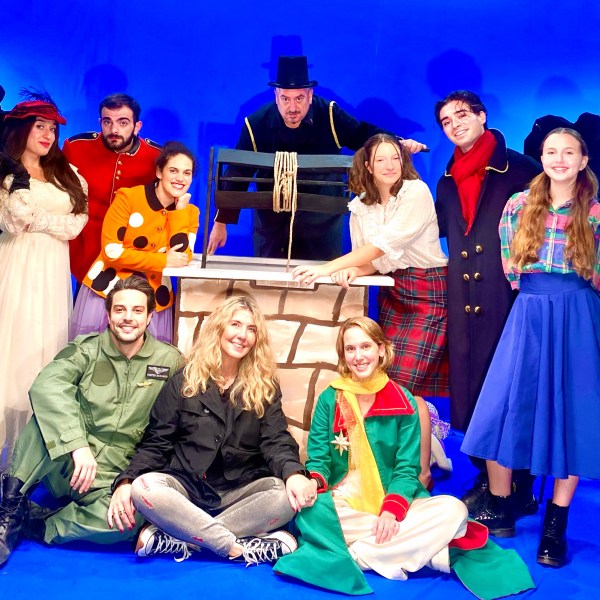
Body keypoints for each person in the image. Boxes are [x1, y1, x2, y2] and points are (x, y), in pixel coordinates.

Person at [274, 317, 534, 599]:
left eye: (365, 347)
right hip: (344, 503)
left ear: (381, 349)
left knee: (454, 511)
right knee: (309, 513)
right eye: (350, 349)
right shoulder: (330, 398)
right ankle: (424, 551)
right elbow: (319, 460)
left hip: (394, 502)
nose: (358, 356)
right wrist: (313, 482)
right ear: (343, 355)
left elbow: (406, 470)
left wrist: (390, 512)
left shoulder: (403, 401)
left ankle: (359, 554)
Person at [462, 128, 600, 568]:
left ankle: (555, 524)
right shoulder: (518, 205)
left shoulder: (595, 212)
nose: (559, 159)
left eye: (569, 152)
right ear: (541, 158)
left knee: (572, 414)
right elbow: (512, 268)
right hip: (530, 311)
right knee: (502, 407)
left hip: (577, 313)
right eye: (551, 152)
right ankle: (502, 506)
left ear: (583, 160)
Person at [292, 134, 450, 488]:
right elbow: (372, 259)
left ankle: (420, 475)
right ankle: (402, 467)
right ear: (368, 165)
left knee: (405, 388)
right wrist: (352, 270)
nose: (390, 165)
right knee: (392, 386)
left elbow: (382, 246)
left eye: (395, 157)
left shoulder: (416, 193)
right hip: (395, 292)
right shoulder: (361, 206)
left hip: (429, 292)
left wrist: (326, 268)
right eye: (381, 159)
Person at [111, 295, 314, 565]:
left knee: (284, 495)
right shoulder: (183, 381)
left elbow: (276, 440)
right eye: (235, 325)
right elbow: (157, 442)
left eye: (251, 329)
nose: (242, 335)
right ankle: (235, 546)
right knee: (144, 488)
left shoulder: (265, 386)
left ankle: (181, 539)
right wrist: (127, 480)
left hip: (240, 489)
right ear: (218, 328)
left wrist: (294, 474)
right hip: (187, 488)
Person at [0, 277, 182, 566]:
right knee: (43, 420)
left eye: (137, 310)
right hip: (68, 464)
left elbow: (179, 421)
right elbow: (46, 385)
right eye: (120, 309)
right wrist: (77, 444)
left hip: (115, 475)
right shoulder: (86, 350)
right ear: (108, 315)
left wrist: (130, 480)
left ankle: (41, 525)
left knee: (130, 518)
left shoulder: (170, 361)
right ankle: (9, 512)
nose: (128, 317)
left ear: (149, 317)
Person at [434, 90, 541, 512]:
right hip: (464, 300)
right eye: (446, 121)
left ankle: (521, 486)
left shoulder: (521, 169)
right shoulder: (446, 181)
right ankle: (489, 475)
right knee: (473, 388)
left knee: (513, 388)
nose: (455, 125)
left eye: (462, 115)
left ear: (482, 116)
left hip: (507, 296)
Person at [208, 55, 426, 260]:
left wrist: (397, 143)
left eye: (299, 98)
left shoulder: (329, 114)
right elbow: (237, 173)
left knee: (321, 278)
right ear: (276, 96)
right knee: (270, 277)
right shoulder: (256, 124)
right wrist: (220, 223)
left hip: (322, 222)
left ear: (310, 95)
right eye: (285, 99)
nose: (292, 108)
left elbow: (363, 134)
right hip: (272, 222)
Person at [0, 92, 88, 473]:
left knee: (43, 352)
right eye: (40, 127)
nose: (48, 135)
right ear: (22, 129)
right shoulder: (7, 173)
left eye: (52, 129)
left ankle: (27, 467)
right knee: (11, 351)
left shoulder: (66, 173)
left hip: (52, 273)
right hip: (16, 266)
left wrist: (41, 221)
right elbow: (14, 220)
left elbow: (77, 223)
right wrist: (46, 219)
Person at [71, 141, 199, 343]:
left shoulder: (189, 213)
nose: (180, 178)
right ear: (159, 172)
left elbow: (182, 257)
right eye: (173, 170)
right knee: (94, 355)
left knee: (150, 360)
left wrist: (179, 212)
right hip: (107, 291)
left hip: (155, 300)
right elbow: (112, 252)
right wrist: (162, 261)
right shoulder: (128, 198)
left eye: (187, 173)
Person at [63, 93, 161, 284]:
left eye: (123, 122)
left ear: (137, 126)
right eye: (107, 122)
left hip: (133, 256)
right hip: (85, 252)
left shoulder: (156, 157)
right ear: (100, 122)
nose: (114, 129)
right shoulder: (76, 147)